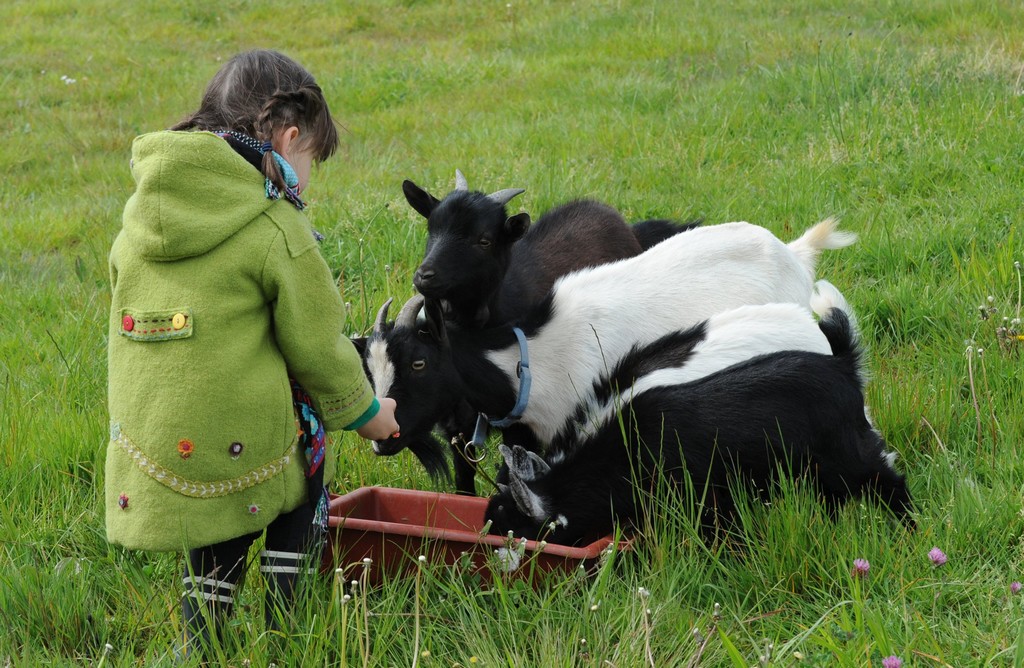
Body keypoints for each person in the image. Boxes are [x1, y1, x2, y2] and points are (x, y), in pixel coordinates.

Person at [104, 49, 399, 657]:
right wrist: (369, 413)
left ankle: (203, 639)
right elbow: (317, 348)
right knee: (305, 450)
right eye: (312, 160)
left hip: (158, 440)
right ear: (290, 139)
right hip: (241, 440)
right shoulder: (274, 226)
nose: (308, 178)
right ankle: (290, 624)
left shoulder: (141, 219)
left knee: (219, 525)